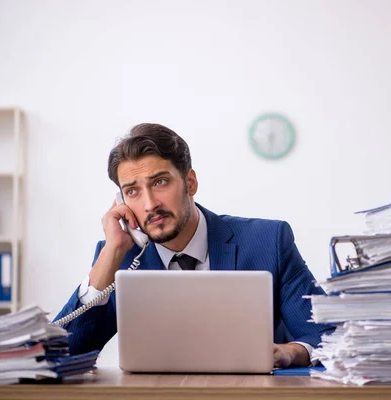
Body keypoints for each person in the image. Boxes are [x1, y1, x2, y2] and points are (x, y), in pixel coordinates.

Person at [55, 123, 333, 368]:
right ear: (121, 201)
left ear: (190, 182)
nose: (150, 204)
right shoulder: (120, 257)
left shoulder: (268, 240)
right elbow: (63, 355)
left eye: (160, 182)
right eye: (132, 191)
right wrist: (111, 253)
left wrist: (289, 352)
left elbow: (326, 335)